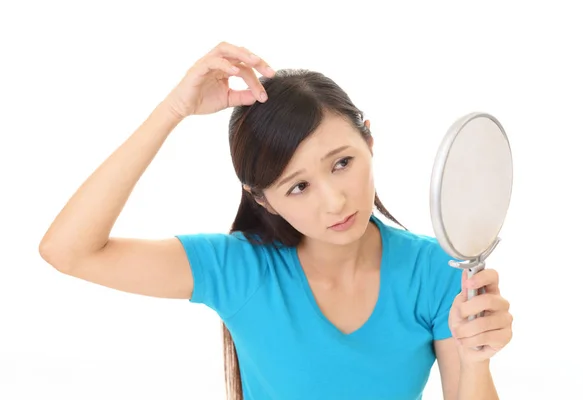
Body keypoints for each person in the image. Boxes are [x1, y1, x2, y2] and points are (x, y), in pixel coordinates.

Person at [39, 41, 513, 400]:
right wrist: (174, 110)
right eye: (298, 186)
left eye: (342, 162)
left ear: (369, 140)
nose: (333, 201)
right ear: (262, 199)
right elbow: (68, 251)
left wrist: (476, 360)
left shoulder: (437, 272)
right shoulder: (239, 270)